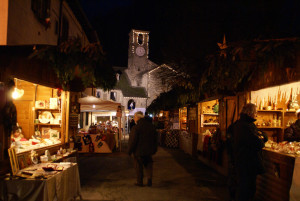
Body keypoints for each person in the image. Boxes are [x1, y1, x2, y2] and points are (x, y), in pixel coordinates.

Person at [232, 103, 268, 201]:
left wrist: (261, 137)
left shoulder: (241, 124)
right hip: (247, 163)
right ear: (249, 113)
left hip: (244, 162)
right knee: (247, 189)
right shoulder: (245, 126)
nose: (256, 114)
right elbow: (257, 143)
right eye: (255, 112)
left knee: (245, 188)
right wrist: (262, 139)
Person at [128, 111, 158, 187]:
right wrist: (154, 149)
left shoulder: (136, 128)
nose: (134, 119)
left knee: (138, 167)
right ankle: (149, 179)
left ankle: (140, 182)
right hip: (149, 151)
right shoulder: (151, 126)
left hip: (139, 151)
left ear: (138, 117)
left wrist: (129, 151)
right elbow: (156, 139)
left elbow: (133, 140)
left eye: (134, 117)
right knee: (148, 165)